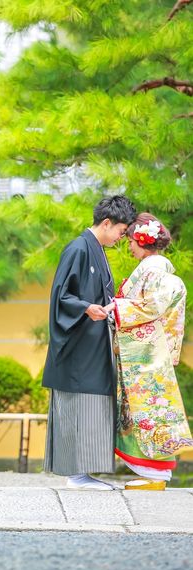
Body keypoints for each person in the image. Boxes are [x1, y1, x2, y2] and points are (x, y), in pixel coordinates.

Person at [43, 195, 137, 490]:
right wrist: (86, 308)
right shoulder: (78, 248)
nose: (121, 238)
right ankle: (76, 474)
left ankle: (83, 472)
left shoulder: (95, 249)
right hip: (78, 347)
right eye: (121, 231)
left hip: (93, 343)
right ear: (107, 223)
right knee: (80, 403)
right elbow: (61, 296)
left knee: (93, 404)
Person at [104, 213, 193, 490]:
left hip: (146, 355)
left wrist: (116, 308)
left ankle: (156, 474)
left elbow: (153, 306)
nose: (129, 246)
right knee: (144, 412)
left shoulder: (154, 270)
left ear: (142, 241)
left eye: (131, 241)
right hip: (146, 352)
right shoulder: (153, 268)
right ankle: (152, 474)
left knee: (149, 411)